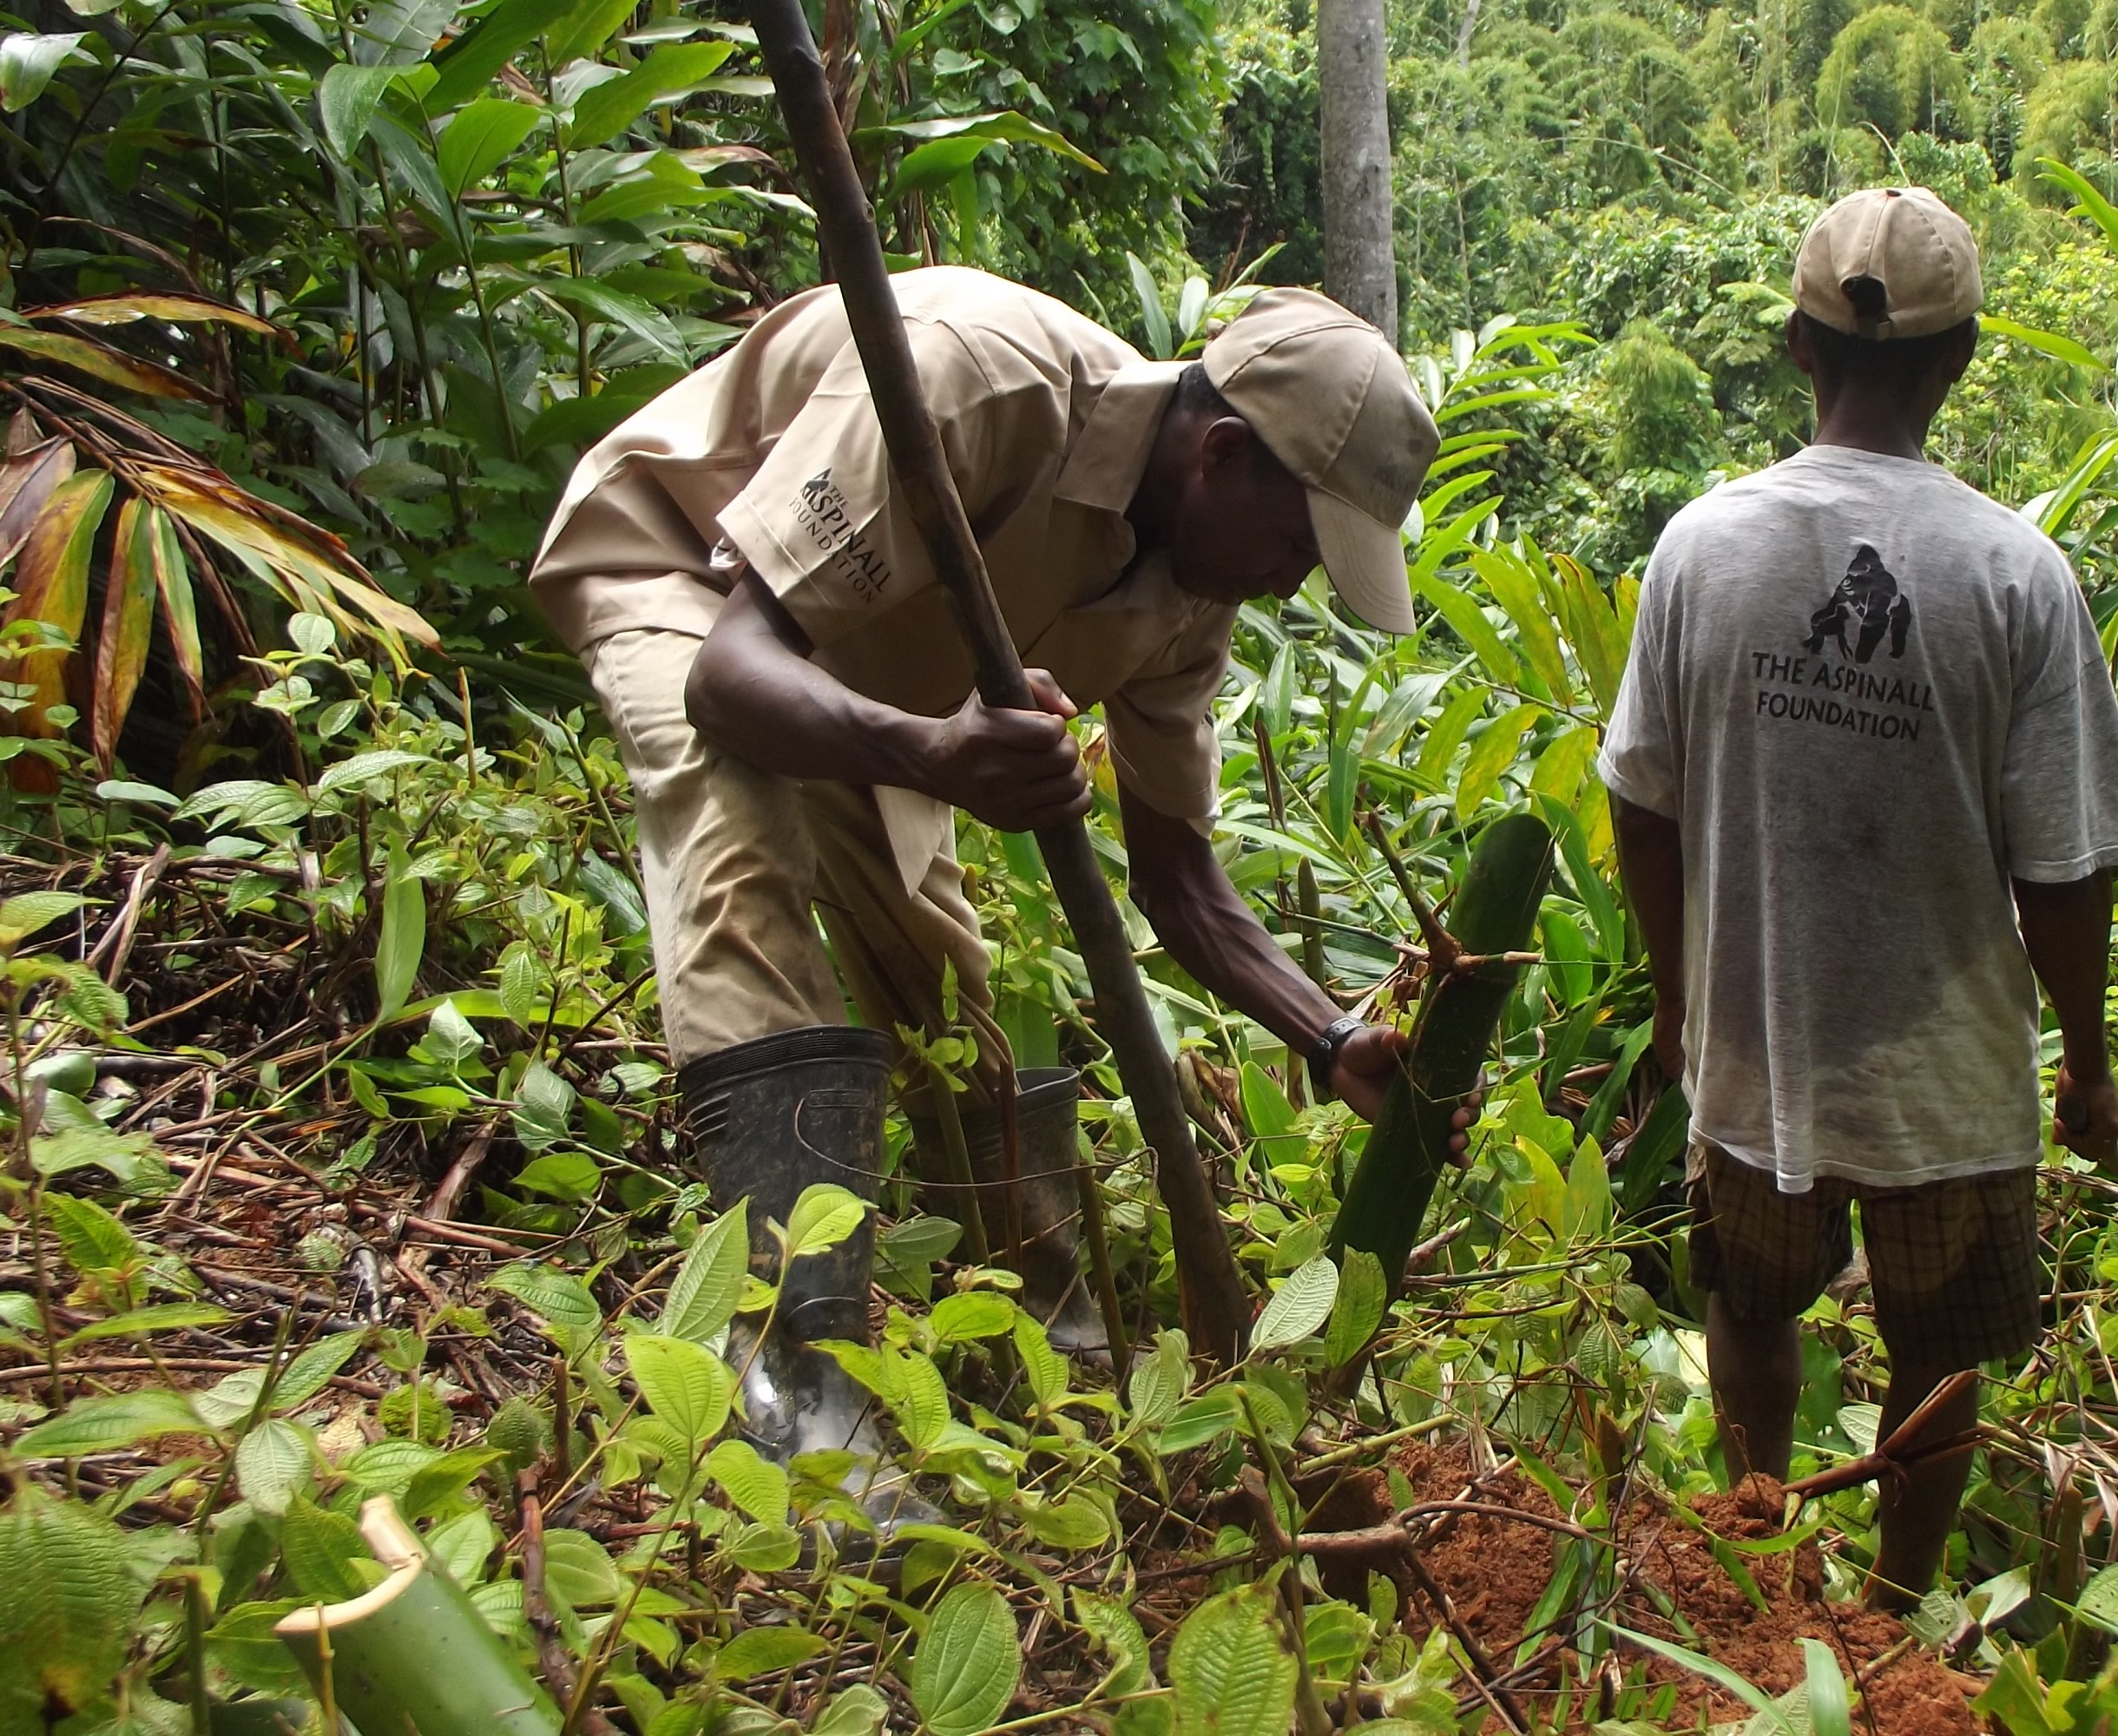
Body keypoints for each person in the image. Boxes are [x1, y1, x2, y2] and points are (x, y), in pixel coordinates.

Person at [530, 267, 1443, 1506]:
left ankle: (1047, 1368)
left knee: (949, 1008)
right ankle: (798, 1411)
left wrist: (1330, 1037)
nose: (1294, 584)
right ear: (1219, 454)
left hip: (875, 673)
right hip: (695, 587)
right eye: (1296, 545)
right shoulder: (974, 380)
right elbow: (735, 673)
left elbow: (1181, 879)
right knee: (744, 865)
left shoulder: (1189, 598)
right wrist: (932, 755)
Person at [1595, 188, 2118, 1613]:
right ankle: (1897, 1613)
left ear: (1798, 345)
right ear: (1959, 359)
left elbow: (1639, 803)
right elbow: (2065, 867)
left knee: (1750, 1303)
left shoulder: (1702, 548)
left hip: (1756, 1052)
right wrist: (2086, 1064)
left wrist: (1680, 1006)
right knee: (1938, 1352)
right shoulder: (2016, 575)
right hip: (1948, 1084)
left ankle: (1750, 1560)